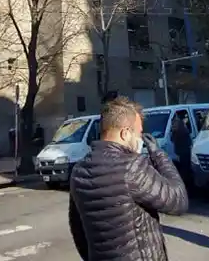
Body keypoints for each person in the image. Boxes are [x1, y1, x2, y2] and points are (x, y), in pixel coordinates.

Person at [69, 96, 188, 261]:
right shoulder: (131, 166)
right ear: (125, 133)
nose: (140, 138)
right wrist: (158, 155)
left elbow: (78, 229)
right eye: (139, 132)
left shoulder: (79, 170)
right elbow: (178, 200)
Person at [170, 110, 192, 188]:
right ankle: (186, 186)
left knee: (184, 169)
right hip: (184, 150)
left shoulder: (177, 124)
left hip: (181, 150)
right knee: (185, 169)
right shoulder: (180, 124)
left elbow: (173, 138)